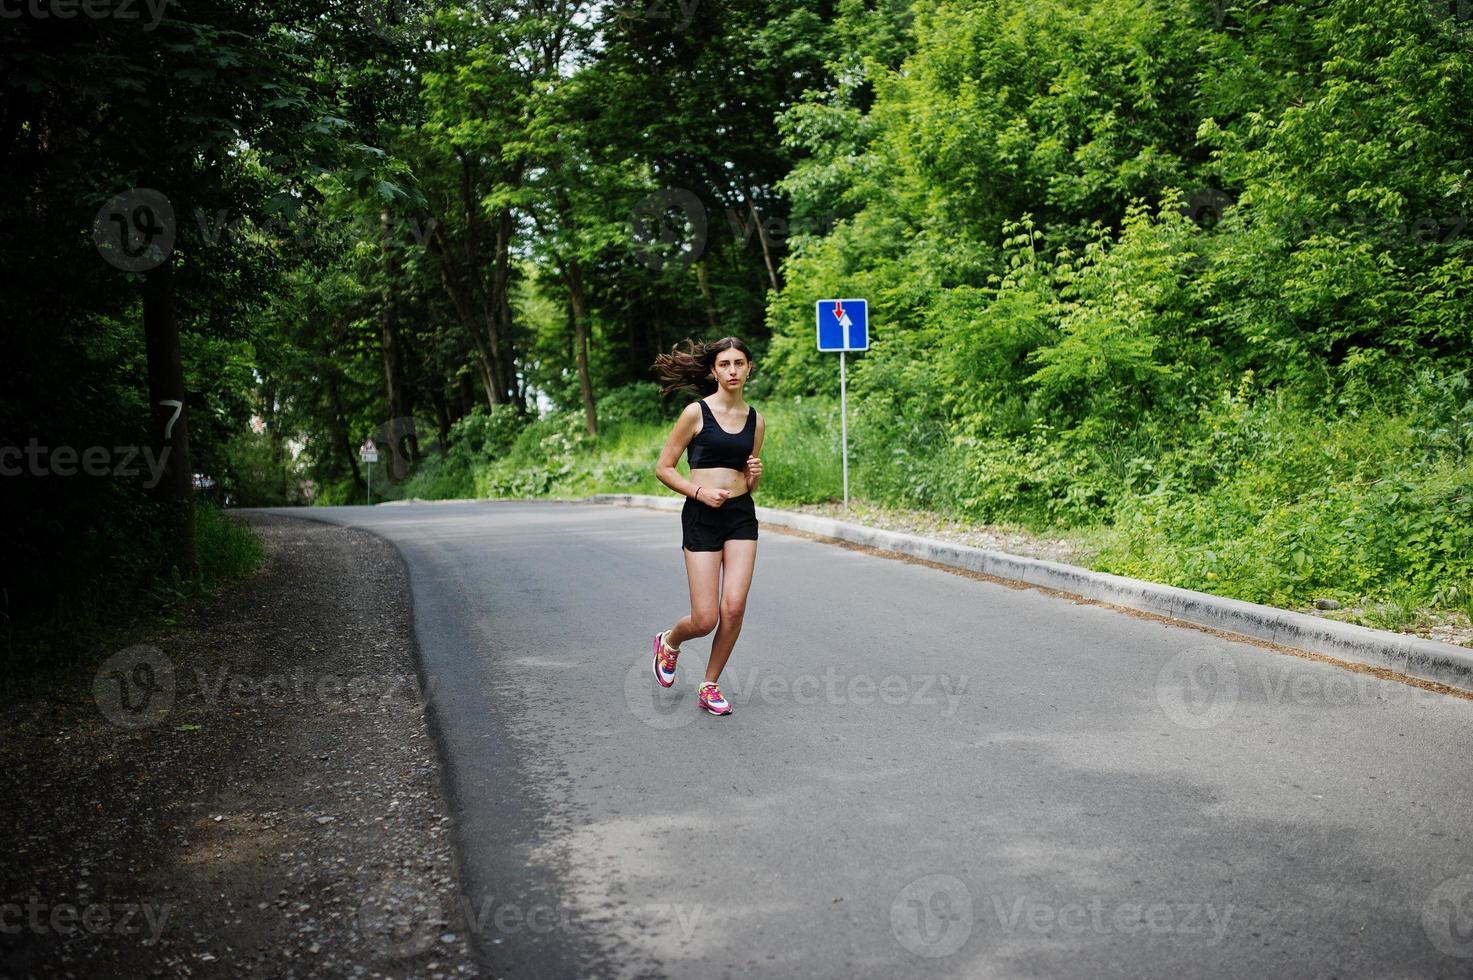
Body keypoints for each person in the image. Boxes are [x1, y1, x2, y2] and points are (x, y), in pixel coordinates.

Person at [649, 337, 764, 716]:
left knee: (734, 608)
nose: (732, 370)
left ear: (750, 368)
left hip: (740, 514)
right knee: (705, 618)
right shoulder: (695, 413)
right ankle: (669, 641)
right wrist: (698, 492)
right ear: (714, 370)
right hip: (701, 515)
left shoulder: (756, 420)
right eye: (725, 364)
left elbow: (747, 480)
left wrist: (754, 477)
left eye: (739, 363)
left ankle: (710, 684)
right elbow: (663, 468)